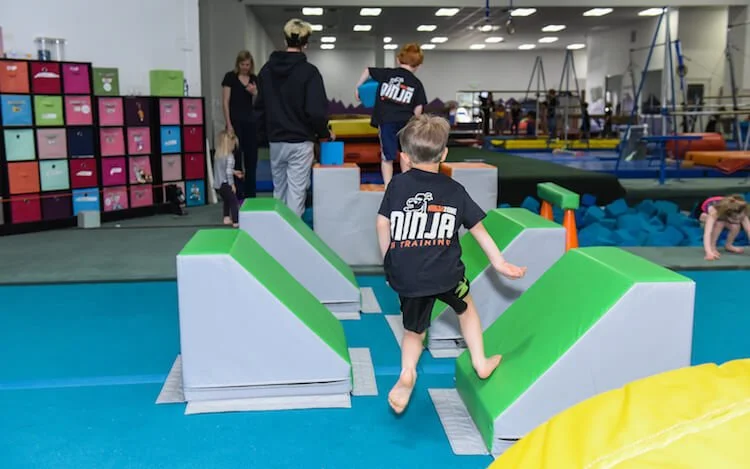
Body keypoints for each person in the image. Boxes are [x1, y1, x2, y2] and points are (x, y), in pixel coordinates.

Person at [375, 114, 528, 414]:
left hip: (407, 276)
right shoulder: (454, 190)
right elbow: (478, 230)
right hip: (446, 275)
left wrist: (389, 260)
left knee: (413, 331)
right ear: (444, 154)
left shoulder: (397, 185)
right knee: (465, 307)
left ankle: (407, 372)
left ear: (404, 157)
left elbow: (382, 224)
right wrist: (499, 262)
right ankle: (480, 362)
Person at [254, 19, 334, 217]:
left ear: (285, 39)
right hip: (300, 141)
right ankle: (290, 242)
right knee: (296, 195)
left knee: (278, 193)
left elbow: (260, 108)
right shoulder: (310, 73)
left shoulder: (266, 71)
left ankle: (277, 239)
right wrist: (324, 134)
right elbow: (316, 111)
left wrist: (264, 136)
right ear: (305, 43)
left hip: (276, 141)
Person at [354, 43, 428, 188]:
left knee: (387, 156)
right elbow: (419, 107)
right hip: (406, 122)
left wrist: (358, 88)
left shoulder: (388, 74)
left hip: (386, 121)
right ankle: (406, 184)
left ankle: (388, 186)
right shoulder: (416, 83)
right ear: (418, 66)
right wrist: (414, 122)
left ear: (398, 60)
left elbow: (368, 70)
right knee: (406, 154)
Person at [222, 50, 259, 200]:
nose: (245, 67)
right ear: (238, 64)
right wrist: (228, 124)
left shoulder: (254, 79)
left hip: (250, 123)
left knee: (251, 159)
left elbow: (260, 102)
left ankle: (251, 195)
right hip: (235, 122)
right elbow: (226, 102)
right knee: (235, 160)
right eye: (242, 64)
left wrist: (254, 92)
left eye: (248, 65)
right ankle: (237, 194)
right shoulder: (230, 77)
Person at [699, 194, 750, 261]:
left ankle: (728, 245)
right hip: (704, 214)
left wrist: (737, 220)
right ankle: (712, 246)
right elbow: (707, 233)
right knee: (719, 224)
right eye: (735, 219)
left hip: (725, 213)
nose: (738, 220)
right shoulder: (715, 212)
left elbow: (748, 230)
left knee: (736, 226)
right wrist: (708, 252)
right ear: (727, 215)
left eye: (740, 219)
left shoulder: (741, 211)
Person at [213, 130, 244, 227]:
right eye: (234, 145)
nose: (235, 147)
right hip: (226, 183)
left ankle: (226, 217)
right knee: (234, 201)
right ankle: (236, 221)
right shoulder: (230, 157)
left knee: (226, 200)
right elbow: (228, 172)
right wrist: (232, 185)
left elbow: (224, 169)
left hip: (218, 185)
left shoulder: (218, 155)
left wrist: (235, 172)